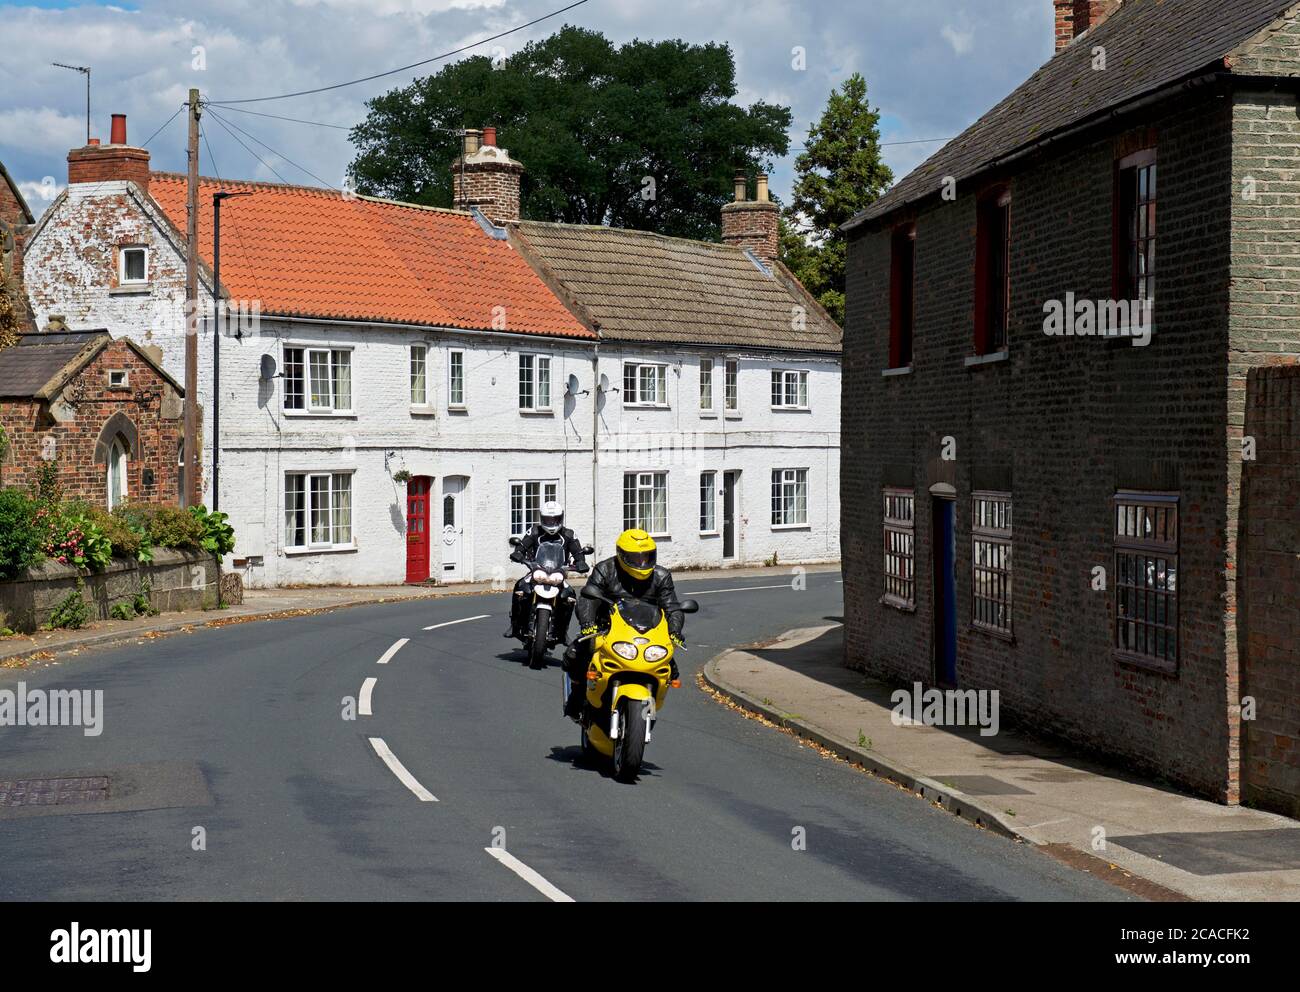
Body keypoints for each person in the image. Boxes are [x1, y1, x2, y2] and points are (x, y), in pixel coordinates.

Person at [561, 528, 685, 720]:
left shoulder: (661, 576)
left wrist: (675, 631)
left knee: (672, 671)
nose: (642, 563)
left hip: (648, 635)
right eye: (635, 559)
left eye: (646, 557)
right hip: (607, 630)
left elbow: (672, 607)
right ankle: (576, 698)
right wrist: (587, 623)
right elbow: (588, 597)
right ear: (621, 555)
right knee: (575, 655)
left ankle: (646, 714)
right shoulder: (606, 569)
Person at [505, 500, 588, 643]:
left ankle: (563, 632)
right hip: (537, 570)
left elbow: (577, 551)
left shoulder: (569, 534)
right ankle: (514, 624)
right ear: (542, 518)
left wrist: (580, 562)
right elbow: (523, 545)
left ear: (560, 518)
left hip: (558, 572)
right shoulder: (535, 531)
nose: (551, 523)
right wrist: (518, 552)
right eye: (548, 520)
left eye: (554, 519)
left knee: (570, 596)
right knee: (520, 587)